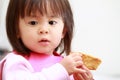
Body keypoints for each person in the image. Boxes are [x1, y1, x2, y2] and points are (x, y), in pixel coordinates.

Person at [0, 0, 94, 80]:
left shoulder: (66, 63)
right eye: (33, 22)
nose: (44, 29)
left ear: (63, 31)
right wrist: (61, 70)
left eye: (52, 22)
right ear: (17, 30)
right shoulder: (15, 61)